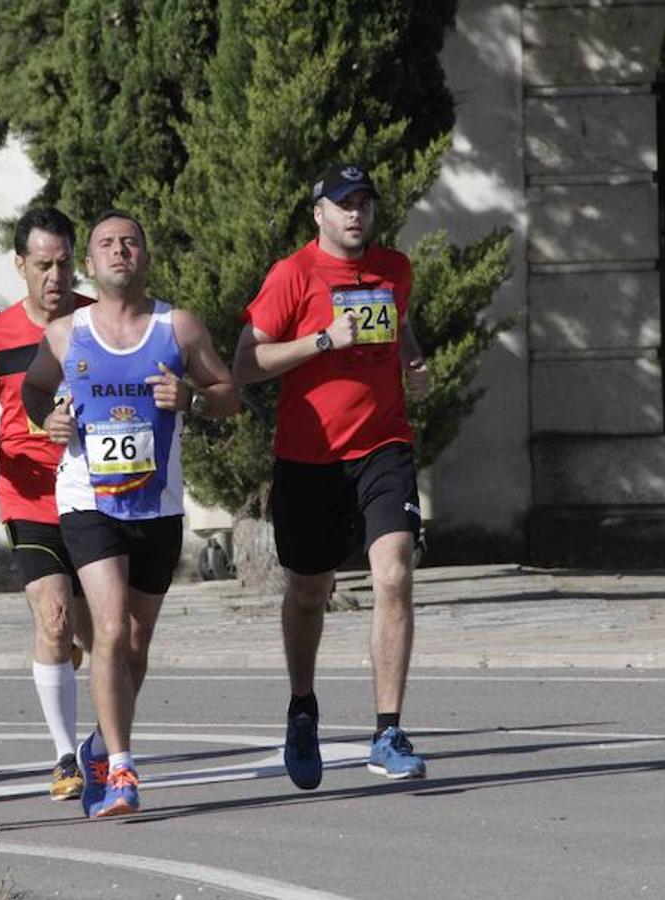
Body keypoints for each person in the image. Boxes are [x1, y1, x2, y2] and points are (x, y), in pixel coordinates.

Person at [22, 210, 238, 818]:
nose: (120, 252)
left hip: (158, 506)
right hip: (89, 498)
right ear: (92, 264)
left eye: (131, 243)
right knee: (110, 630)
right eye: (107, 245)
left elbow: (231, 395)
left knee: (136, 644)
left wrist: (192, 398)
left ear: (145, 257)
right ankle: (121, 768)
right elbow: (35, 390)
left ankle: (99, 741)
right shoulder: (67, 333)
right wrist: (49, 420)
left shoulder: (180, 326)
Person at [233, 163, 432, 789]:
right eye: (344, 204)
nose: (356, 214)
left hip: (383, 446)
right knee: (309, 592)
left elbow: (401, 328)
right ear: (318, 211)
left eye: (365, 204)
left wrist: (414, 360)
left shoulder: (394, 269)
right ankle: (301, 707)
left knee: (394, 574)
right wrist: (322, 340)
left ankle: (388, 730)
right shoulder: (292, 275)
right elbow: (246, 362)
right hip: (310, 455)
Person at [0, 206, 95, 801]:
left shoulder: (98, 320)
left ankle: (102, 739)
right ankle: (65, 755)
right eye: (43, 265)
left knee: (110, 638)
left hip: (97, 492)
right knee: (53, 617)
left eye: (65, 263)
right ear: (20, 265)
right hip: (29, 494)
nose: (55, 276)